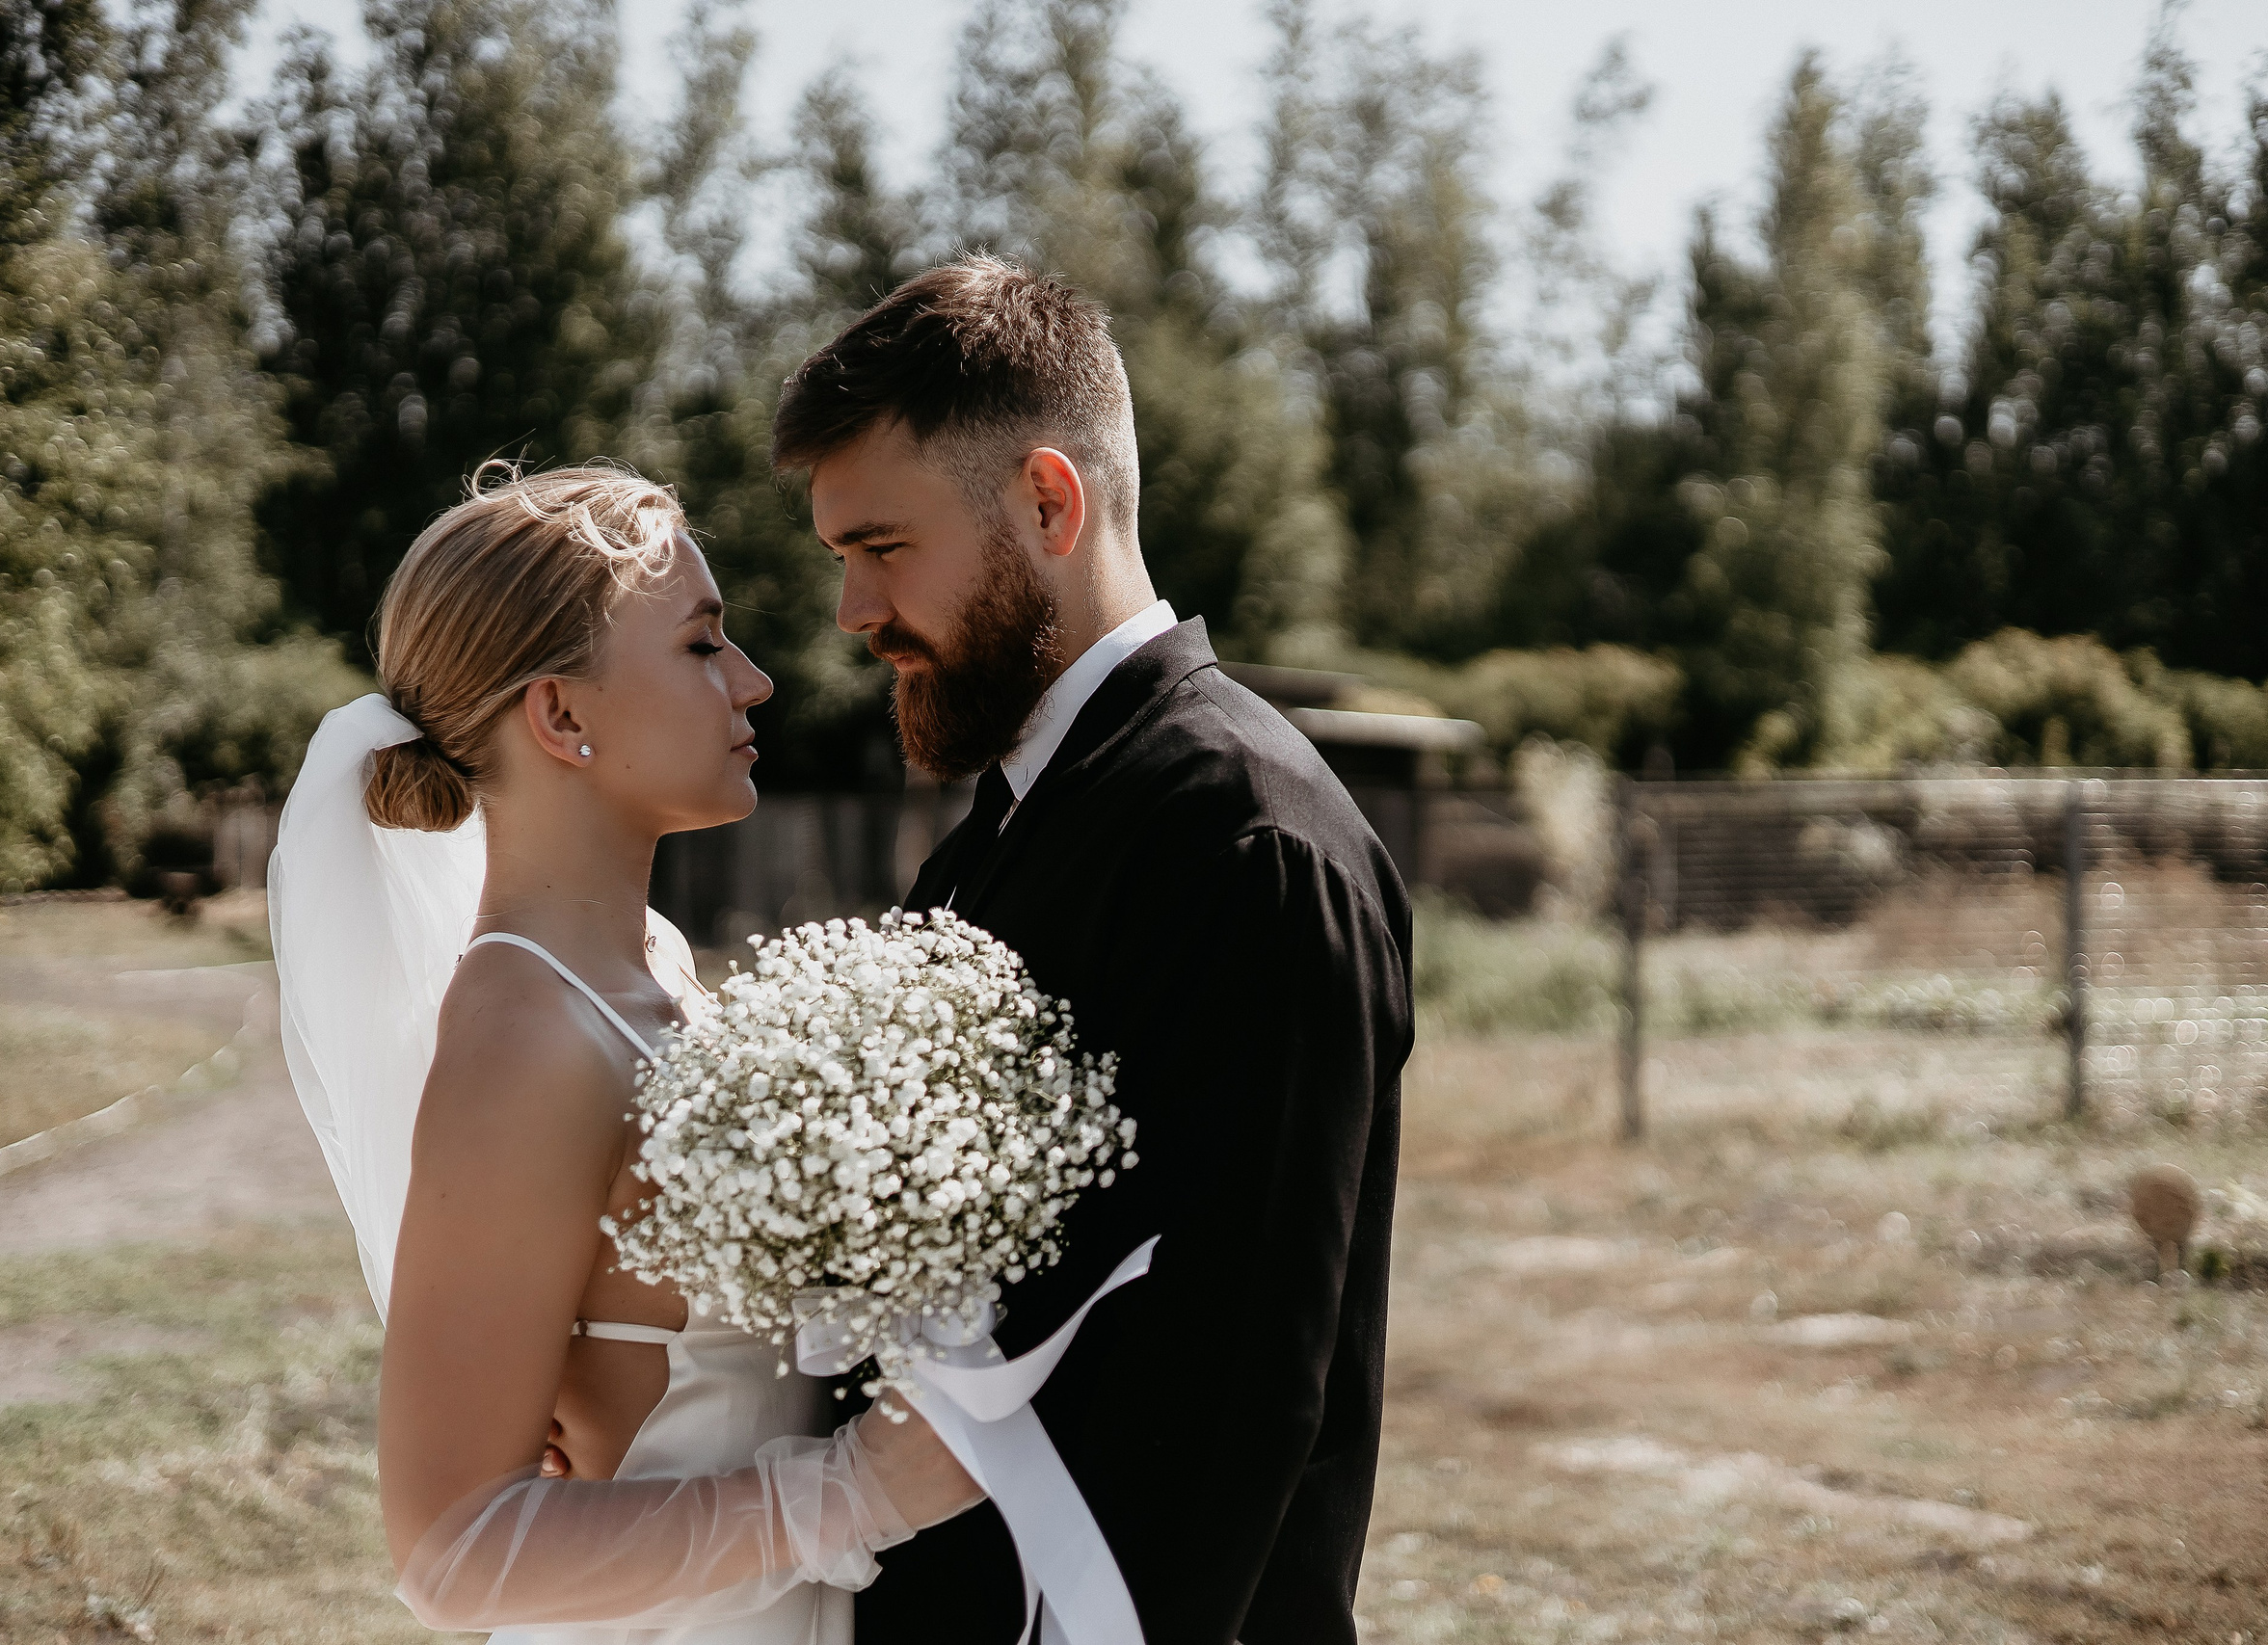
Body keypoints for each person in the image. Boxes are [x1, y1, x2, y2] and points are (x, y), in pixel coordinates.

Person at [773, 258, 1412, 1645]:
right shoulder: (1002, 829)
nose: (854, 616)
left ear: (1049, 503)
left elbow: (1243, 1387)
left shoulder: (1250, 838)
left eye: (883, 549)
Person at [271, 464, 982, 1643]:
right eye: (704, 646)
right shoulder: (526, 1037)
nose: (754, 681)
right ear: (561, 717)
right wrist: (856, 1493)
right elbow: (450, 1556)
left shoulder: (652, 970)